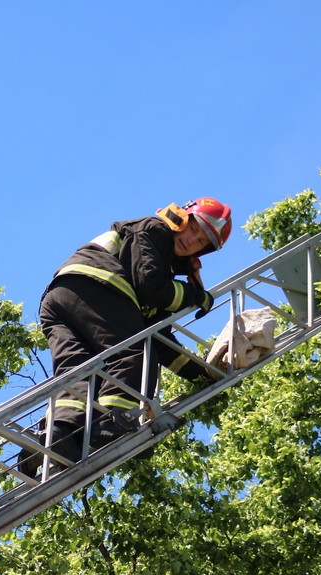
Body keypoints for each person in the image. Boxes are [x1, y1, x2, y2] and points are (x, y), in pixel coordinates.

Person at [28, 197, 232, 472]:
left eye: (201, 241)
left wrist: (201, 374)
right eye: (193, 229)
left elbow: (159, 339)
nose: (191, 240)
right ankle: (114, 423)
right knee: (134, 353)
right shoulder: (155, 230)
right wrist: (195, 295)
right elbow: (152, 288)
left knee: (79, 370)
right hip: (95, 285)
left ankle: (59, 433)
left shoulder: (161, 268)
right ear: (182, 219)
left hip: (59, 299)